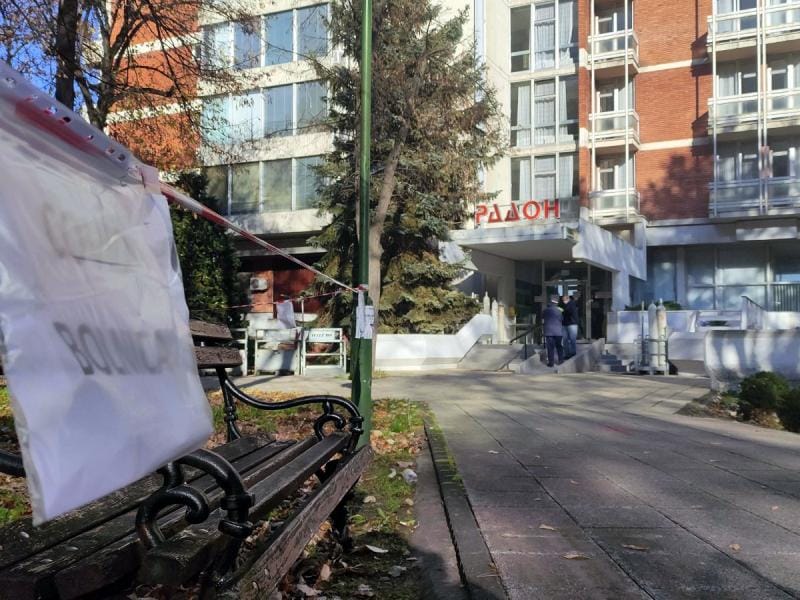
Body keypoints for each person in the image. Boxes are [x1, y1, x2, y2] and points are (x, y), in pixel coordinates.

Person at [542, 296, 564, 367]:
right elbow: (562, 319)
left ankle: (551, 363)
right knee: (559, 346)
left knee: (550, 348)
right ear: (556, 303)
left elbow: (542, 317)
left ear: (550, 303)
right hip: (558, 332)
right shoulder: (560, 311)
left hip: (549, 332)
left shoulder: (546, 310)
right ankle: (561, 360)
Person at [563, 291, 580, 358]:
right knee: (565, 340)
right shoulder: (566, 305)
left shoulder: (572, 304)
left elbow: (570, 312)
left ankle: (572, 353)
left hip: (572, 324)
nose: (564, 301)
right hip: (566, 324)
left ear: (568, 299)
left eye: (564, 300)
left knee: (572, 339)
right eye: (563, 300)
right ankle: (567, 354)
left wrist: (563, 311)